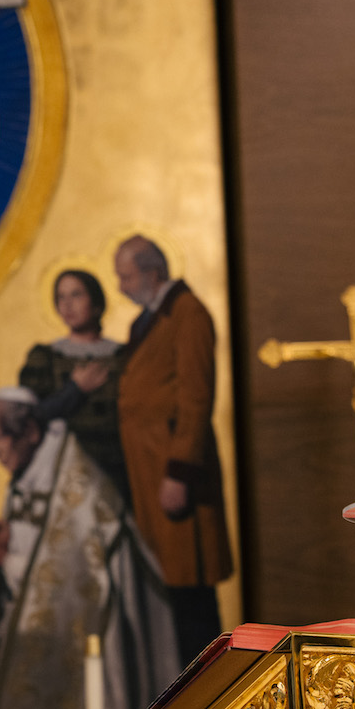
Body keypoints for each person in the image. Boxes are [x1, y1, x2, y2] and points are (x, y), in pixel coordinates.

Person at [0, 388, 180, 709]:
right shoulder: (30, 474)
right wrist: (2, 558)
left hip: (107, 632)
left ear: (28, 431)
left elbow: (66, 599)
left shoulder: (74, 488)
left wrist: (4, 558)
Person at [113, 235, 234, 665]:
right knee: (170, 590)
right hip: (149, 472)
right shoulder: (149, 318)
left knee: (191, 592)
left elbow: (195, 397)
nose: (121, 286)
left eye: (125, 276)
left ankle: (206, 693)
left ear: (152, 272)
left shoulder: (188, 313)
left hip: (175, 475)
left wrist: (178, 473)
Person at [17, 269, 127, 494]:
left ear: (96, 302)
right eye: (61, 297)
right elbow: (28, 417)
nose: (67, 305)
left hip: (117, 469)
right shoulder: (45, 357)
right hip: (64, 471)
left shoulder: (123, 356)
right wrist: (75, 390)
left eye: (76, 295)